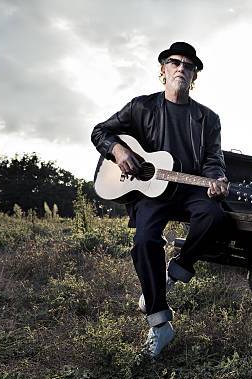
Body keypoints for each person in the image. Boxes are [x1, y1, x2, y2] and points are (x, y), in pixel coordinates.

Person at [91, 41, 228, 358]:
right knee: (144, 242)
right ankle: (160, 324)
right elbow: (101, 131)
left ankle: (177, 270)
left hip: (191, 188)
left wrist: (216, 179)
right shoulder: (141, 107)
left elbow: (213, 158)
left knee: (215, 217)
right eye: (175, 62)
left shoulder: (208, 118)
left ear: (194, 77)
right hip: (151, 190)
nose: (182, 67)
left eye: (189, 65)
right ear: (163, 70)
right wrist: (118, 149)